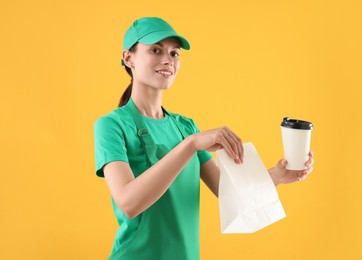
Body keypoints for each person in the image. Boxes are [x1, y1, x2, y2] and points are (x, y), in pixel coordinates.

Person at [93, 17, 315, 260]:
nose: (167, 60)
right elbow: (128, 202)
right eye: (155, 50)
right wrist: (190, 145)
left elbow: (227, 192)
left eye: (174, 53)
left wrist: (276, 176)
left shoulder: (185, 127)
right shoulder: (112, 125)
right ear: (129, 58)